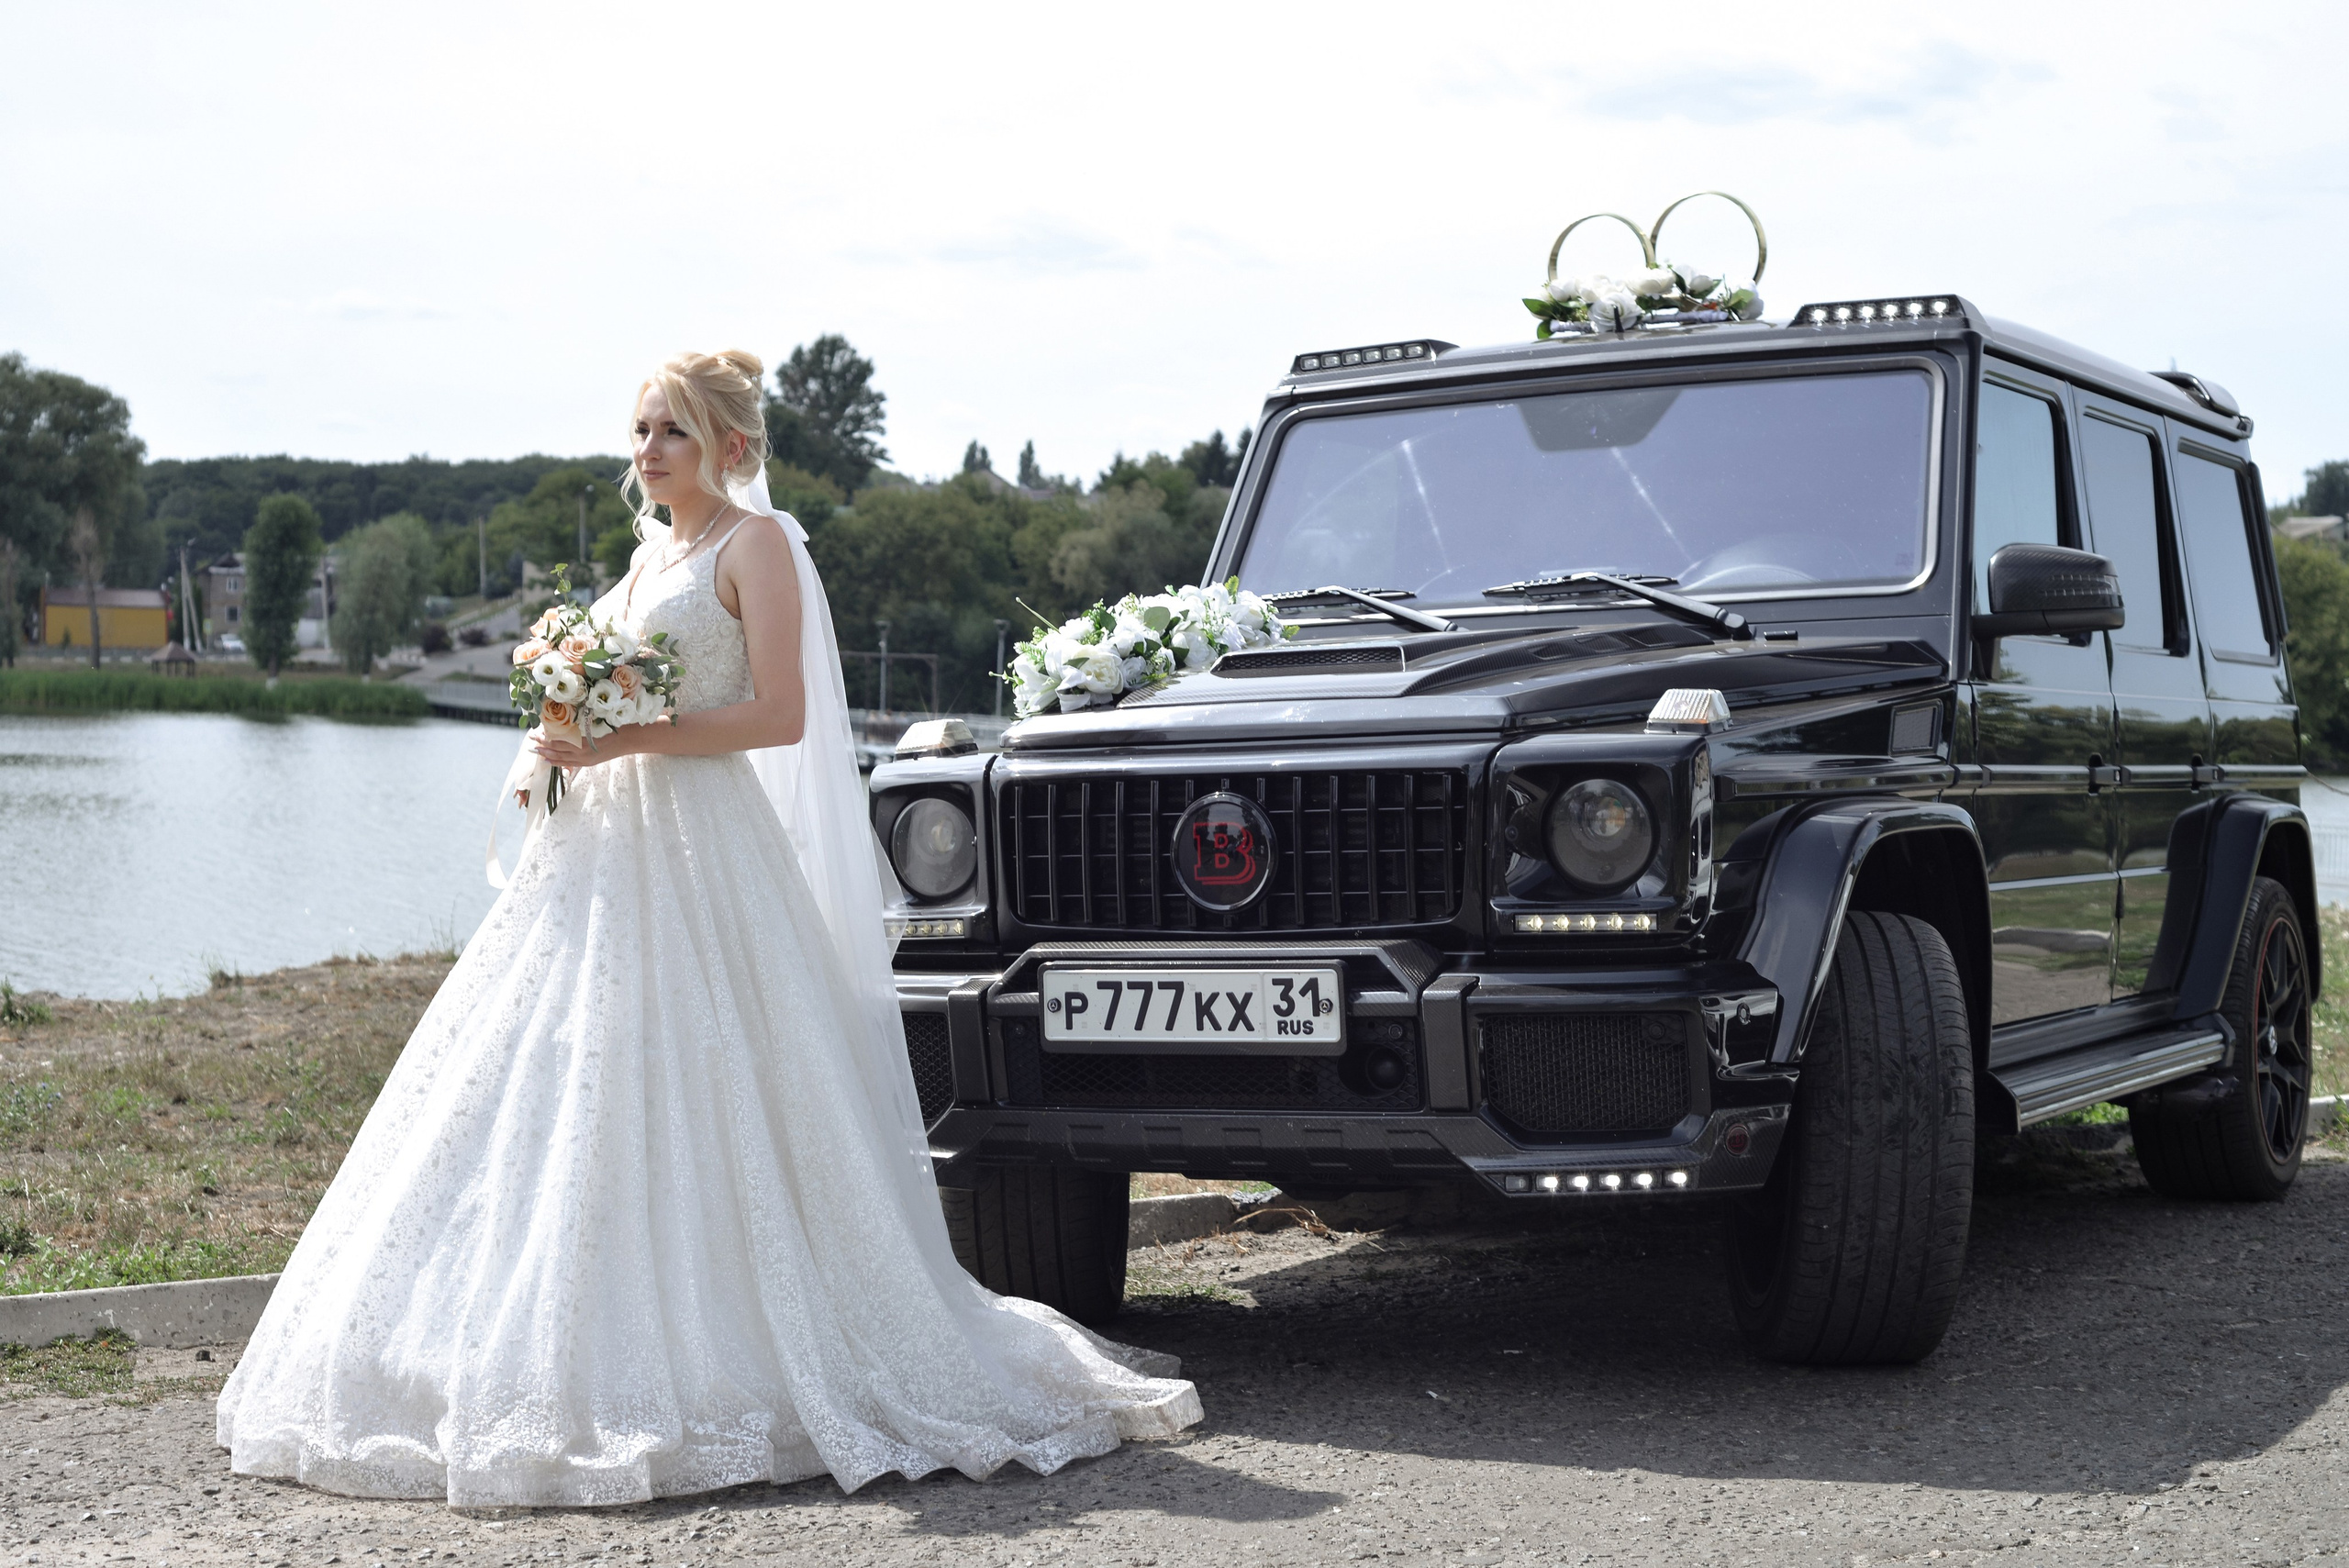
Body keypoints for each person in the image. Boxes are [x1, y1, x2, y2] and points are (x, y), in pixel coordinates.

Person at [216, 351, 1200, 1507]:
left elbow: (776, 713)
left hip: (704, 846)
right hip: (601, 854)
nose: (646, 452)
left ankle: (739, 1345)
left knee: (718, 1076)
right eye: (639, 430)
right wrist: (559, 731)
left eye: (670, 432)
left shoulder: (757, 546)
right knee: (563, 1080)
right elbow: (607, 699)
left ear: (729, 445)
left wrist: (623, 731)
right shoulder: (643, 563)